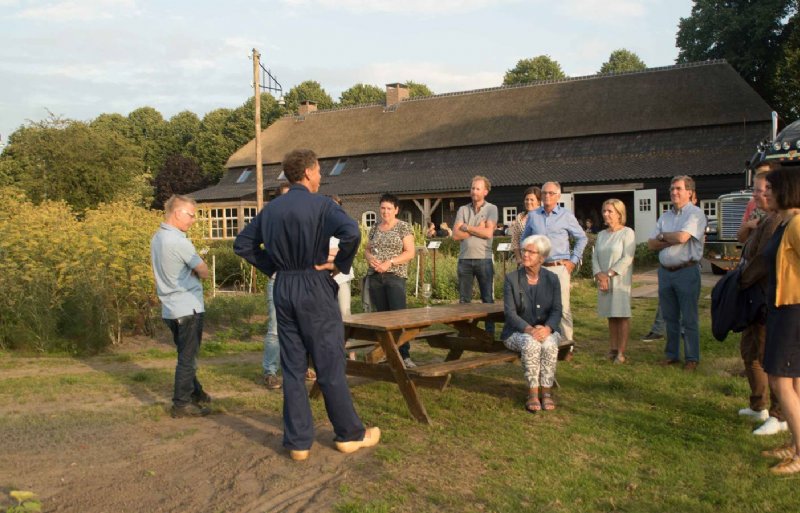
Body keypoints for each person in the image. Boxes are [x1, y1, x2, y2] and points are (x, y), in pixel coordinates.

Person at [234, 149, 379, 461]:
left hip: (283, 285)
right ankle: (349, 435)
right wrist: (339, 265)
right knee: (329, 361)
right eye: (319, 170)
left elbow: (242, 244)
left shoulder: (271, 210)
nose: (321, 176)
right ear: (310, 172)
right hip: (313, 284)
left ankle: (298, 442)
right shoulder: (322, 204)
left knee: (293, 366)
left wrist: (273, 267)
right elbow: (352, 232)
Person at [150, 195, 212, 418]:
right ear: (177, 213)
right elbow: (203, 270)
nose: (193, 220)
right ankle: (181, 404)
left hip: (170, 308)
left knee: (186, 355)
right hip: (188, 307)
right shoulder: (179, 241)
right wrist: (197, 271)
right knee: (187, 358)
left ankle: (197, 393)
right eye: (191, 215)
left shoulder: (157, 238)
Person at [737, 170, 786, 435]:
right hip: (753, 297)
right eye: (754, 190)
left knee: (770, 356)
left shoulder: (779, 220)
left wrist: (740, 280)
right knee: (750, 350)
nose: (755, 195)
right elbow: (744, 243)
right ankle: (759, 405)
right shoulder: (762, 217)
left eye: (759, 190)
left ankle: (779, 415)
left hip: (766, 298)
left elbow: (763, 261)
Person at [760, 167, 800, 474]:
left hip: (792, 311)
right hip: (782, 309)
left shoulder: (797, 224)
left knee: (780, 381)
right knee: (793, 382)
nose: (766, 193)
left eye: (771, 188)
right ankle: (795, 444)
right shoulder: (786, 222)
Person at [648, 176, 707, 371]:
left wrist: (663, 236)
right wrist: (669, 238)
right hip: (665, 272)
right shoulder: (665, 216)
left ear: (689, 192)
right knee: (670, 317)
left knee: (689, 318)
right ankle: (671, 354)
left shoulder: (695, 214)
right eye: (672, 189)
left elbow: (682, 237)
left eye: (679, 189)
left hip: (686, 271)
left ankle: (692, 358)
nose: (674, 192)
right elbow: (651, 244)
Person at [522, 181, 587, 357]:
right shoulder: (534, 215)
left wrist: (573, 260)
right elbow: (525, 239)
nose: (547, 197)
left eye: (551, 193)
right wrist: (527, 257)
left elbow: (582, 238)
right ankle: (542, 341)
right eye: (544, 193)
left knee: (563, 307)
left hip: (559, 267)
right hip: (538, 268)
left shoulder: (566, 216)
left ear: (558, 196)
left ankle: (567, 346)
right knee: (538, 307)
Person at [501, 235, 562, 413]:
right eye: (524, 250)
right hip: (516, 332)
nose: (525, 255)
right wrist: (528, 329)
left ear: (541, 258)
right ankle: (533, 393)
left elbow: (557, 310)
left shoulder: (552, 279)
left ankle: (547, 392)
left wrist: (548, 328)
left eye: (531, 252)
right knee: (531, 344)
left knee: (550, 344)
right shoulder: (512, 279)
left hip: (547, 330)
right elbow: (510, 313)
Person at [364, 193, 417, 367]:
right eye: (382, 208)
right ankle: (388, 353)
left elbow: (410, 252)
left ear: (396, 210)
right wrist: (371, 258)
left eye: (388, 208)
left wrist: (390, 262)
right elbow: (367, 250)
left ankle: (404, 354)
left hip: (395, 276)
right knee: (382, 319)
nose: (385, 212)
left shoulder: (403, 227)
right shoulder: (374, 228)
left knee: (398, 317)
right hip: (376, 277)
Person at [453, 176, 498, 335]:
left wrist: (466, 227)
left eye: (477, 188)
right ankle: (464, 332)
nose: (474, 191)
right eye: (472, 188)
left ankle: (489, 333)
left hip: (483, 260)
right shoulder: (462, 209)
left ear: (485, 191)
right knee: (464, 300)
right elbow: (456, 236)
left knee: (487, 299)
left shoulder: (492, 209)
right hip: (464, 260)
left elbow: (488, 233)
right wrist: (476, 228)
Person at [592, 199, 635, 364]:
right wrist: (599, 275)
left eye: (610, 211)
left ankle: (621, 353)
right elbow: (594, 256)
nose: (606, 214)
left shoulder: (627, 233)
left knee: (621, 314)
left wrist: (608, 274)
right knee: (610, 314)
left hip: (619, 280)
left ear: (619, 214)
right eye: (604, 211)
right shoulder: (602, 235)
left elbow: (627, 258)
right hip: (603, 280)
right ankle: (613, 348)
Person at [330, 195, 355, 318]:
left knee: (345, 313)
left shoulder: (346, 226)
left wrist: (332, 252)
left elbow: (348, 249)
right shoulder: (318, 226)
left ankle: (345, 336)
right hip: (323, 278)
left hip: (342, 277)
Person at [510, 186, 542, 263]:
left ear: (538, 201)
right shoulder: (520, 217)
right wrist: (518, 258)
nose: (528, 202)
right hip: (524, 259)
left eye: (532, 200)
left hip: (540, 259)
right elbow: (515, 240)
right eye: (526, 199)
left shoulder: (543, 216)